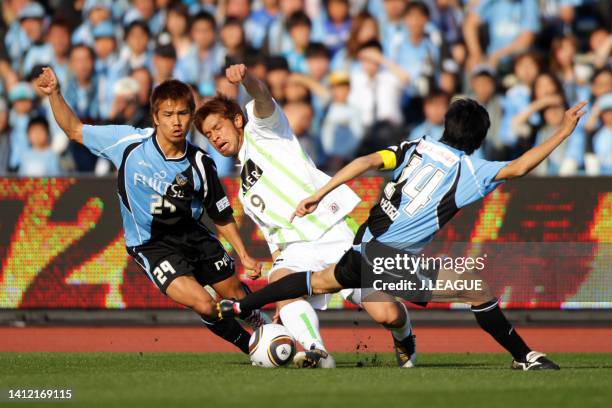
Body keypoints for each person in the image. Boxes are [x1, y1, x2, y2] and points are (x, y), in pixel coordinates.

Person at [218, 97, 588, 370]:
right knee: (476, 289)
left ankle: (240, 306)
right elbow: (521, 167)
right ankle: (524, 357)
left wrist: (319, 194)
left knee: (318, 282)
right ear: (478, 139)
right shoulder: (471, 171)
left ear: (447, 125)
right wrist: (564, 131)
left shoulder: (417, 147)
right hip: (388, 259)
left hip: (360, 245)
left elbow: (366, 161)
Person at [194, 64, 417, 369]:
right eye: (208, 135)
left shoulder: (264, 130)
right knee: (282, 282)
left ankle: (404, 335)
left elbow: (261, 96)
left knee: (386, 314)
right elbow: (275, 236)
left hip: (334, 232)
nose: (214, 138)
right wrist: (283, 298)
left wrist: (246, 80)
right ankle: (317, 352)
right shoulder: (244, 192)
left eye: (217, 127)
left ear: (237, 120)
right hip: (296, 250)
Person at [34, 66, 266, 355]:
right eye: (168, 115)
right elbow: (74, 130)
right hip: (151, 245)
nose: (176, 122)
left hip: (194, 236)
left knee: (235, 295)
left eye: (182, 113)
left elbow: (219, 213)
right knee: (205, 304)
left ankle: (264, 328)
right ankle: (253, 348)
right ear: (156, 117)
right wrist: (55, 93)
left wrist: (243, 254)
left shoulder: (201, 163)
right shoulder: (129, 144)